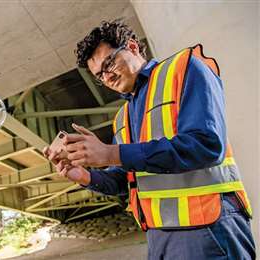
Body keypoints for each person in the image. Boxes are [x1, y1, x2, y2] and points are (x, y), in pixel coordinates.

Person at [43, 20, 255, 259]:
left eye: (109, 63)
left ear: (132, 46)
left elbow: (206, 145)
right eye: (100, 75)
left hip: (208, 226)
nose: (107, 77)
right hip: (158, 235)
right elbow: (127, 180)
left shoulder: (183, 68)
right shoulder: (122, 118)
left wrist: (111, 153)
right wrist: (85, 176)